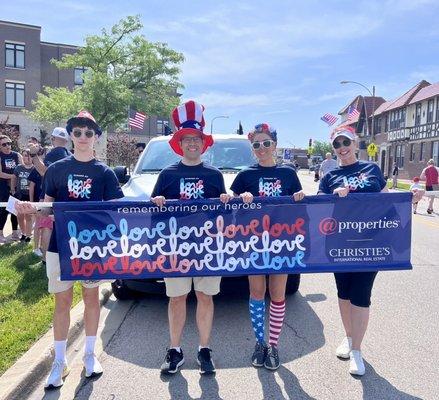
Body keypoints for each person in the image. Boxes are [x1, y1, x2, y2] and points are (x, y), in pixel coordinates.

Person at [16, 111, 124, 389]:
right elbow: (46, 205)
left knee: (91, 298)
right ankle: (60, 360)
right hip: (59, 246)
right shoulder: (57, 169)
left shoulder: (105, 172)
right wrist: (32, 210)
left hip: (92, 247)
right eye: (78, 132)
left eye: (89, 133)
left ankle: (89, 354)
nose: (83, 137)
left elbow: (117, 211)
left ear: (96, 137)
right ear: (71, 136)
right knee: (62, 301)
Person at [150, 100, 229, 375]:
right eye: (187, 139)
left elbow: (225, 218)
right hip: (176, 249)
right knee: (176, 298)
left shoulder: (215, 175)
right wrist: (158, 202)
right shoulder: (167, 175)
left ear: (203, 143)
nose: (192, 143)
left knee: (205, 297)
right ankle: (175, 350)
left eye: (197, 139)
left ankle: (204, 349)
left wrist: (225, 202)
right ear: (180, 143)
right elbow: (154, 219)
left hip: (207, 248)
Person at [228, 123, 305, 370]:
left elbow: (300, 211)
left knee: (279, 295)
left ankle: (274, 345)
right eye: (256, 145)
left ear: (275, 145)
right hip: (254, 243)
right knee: (257, 293)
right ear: (253, 149)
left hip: (282, 242)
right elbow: (232, 210)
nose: (262, 148)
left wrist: (299, 199)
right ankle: (260, 343)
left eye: (266, 143)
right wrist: (241, 199)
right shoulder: (245, 176)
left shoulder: (289, 174)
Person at [318, 126, 389, 377]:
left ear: (355, 142)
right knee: (344, 292)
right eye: (337, 144)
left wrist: (411, 198)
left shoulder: (372, 169)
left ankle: (357, 351)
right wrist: (333, 198)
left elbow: (387, 201)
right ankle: (348, 338)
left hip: (370, 243)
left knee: (361, 294)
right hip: (339, 243)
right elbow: (319, 210)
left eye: (345, 142)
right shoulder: (329, 176)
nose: (342, 148)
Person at [0, 134, 23, 243]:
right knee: (3, 210)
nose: (8, 146)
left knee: (15, 209)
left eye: (9, 143)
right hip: (3, 186)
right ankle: (0, 233)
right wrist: (13, 176)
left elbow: (22, 169)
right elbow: (0, 173)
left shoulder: (17, 155)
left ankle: (15, 232)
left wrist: (15, 178)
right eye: (4, 144)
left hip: (15, 187)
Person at [12, 149, 34, 241]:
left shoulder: (35, 168)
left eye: (29, 155)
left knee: (28, 216)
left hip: (29, 195)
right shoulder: (19, 168)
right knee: (20, 216)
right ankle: (23, 234)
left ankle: (28, 235)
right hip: (20, 195)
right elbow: (14, 178)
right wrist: (13, 190)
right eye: (25, 155)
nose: (27, 157)